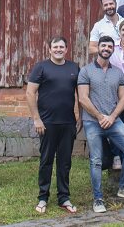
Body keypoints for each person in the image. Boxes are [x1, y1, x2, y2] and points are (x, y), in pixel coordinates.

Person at [78, 36, 124, 212]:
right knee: (96, 160)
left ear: (112, 49)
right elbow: (83, 98)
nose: (106, 48)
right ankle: (98, 199)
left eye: (109, 46)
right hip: (92, 122)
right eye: (103, 45)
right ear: (98, 48)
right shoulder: (86, 71)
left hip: (114, 120)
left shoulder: (117, 73)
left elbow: (123, 98)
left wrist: (112, 117)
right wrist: (100, 116)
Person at [26, 37, 81, 214]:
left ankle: (64, 197)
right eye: (55, 47)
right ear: (49, 49)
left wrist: (78, 115)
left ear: (66, 49)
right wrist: (36, 119)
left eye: (61, 47)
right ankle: (43, 197)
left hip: (68, 123)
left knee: (65, 162)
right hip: (47, 123)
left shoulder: (74, 68)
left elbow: (79, 93)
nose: (58, 49)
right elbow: (30, 92)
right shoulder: (41, 67)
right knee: (46, 161)